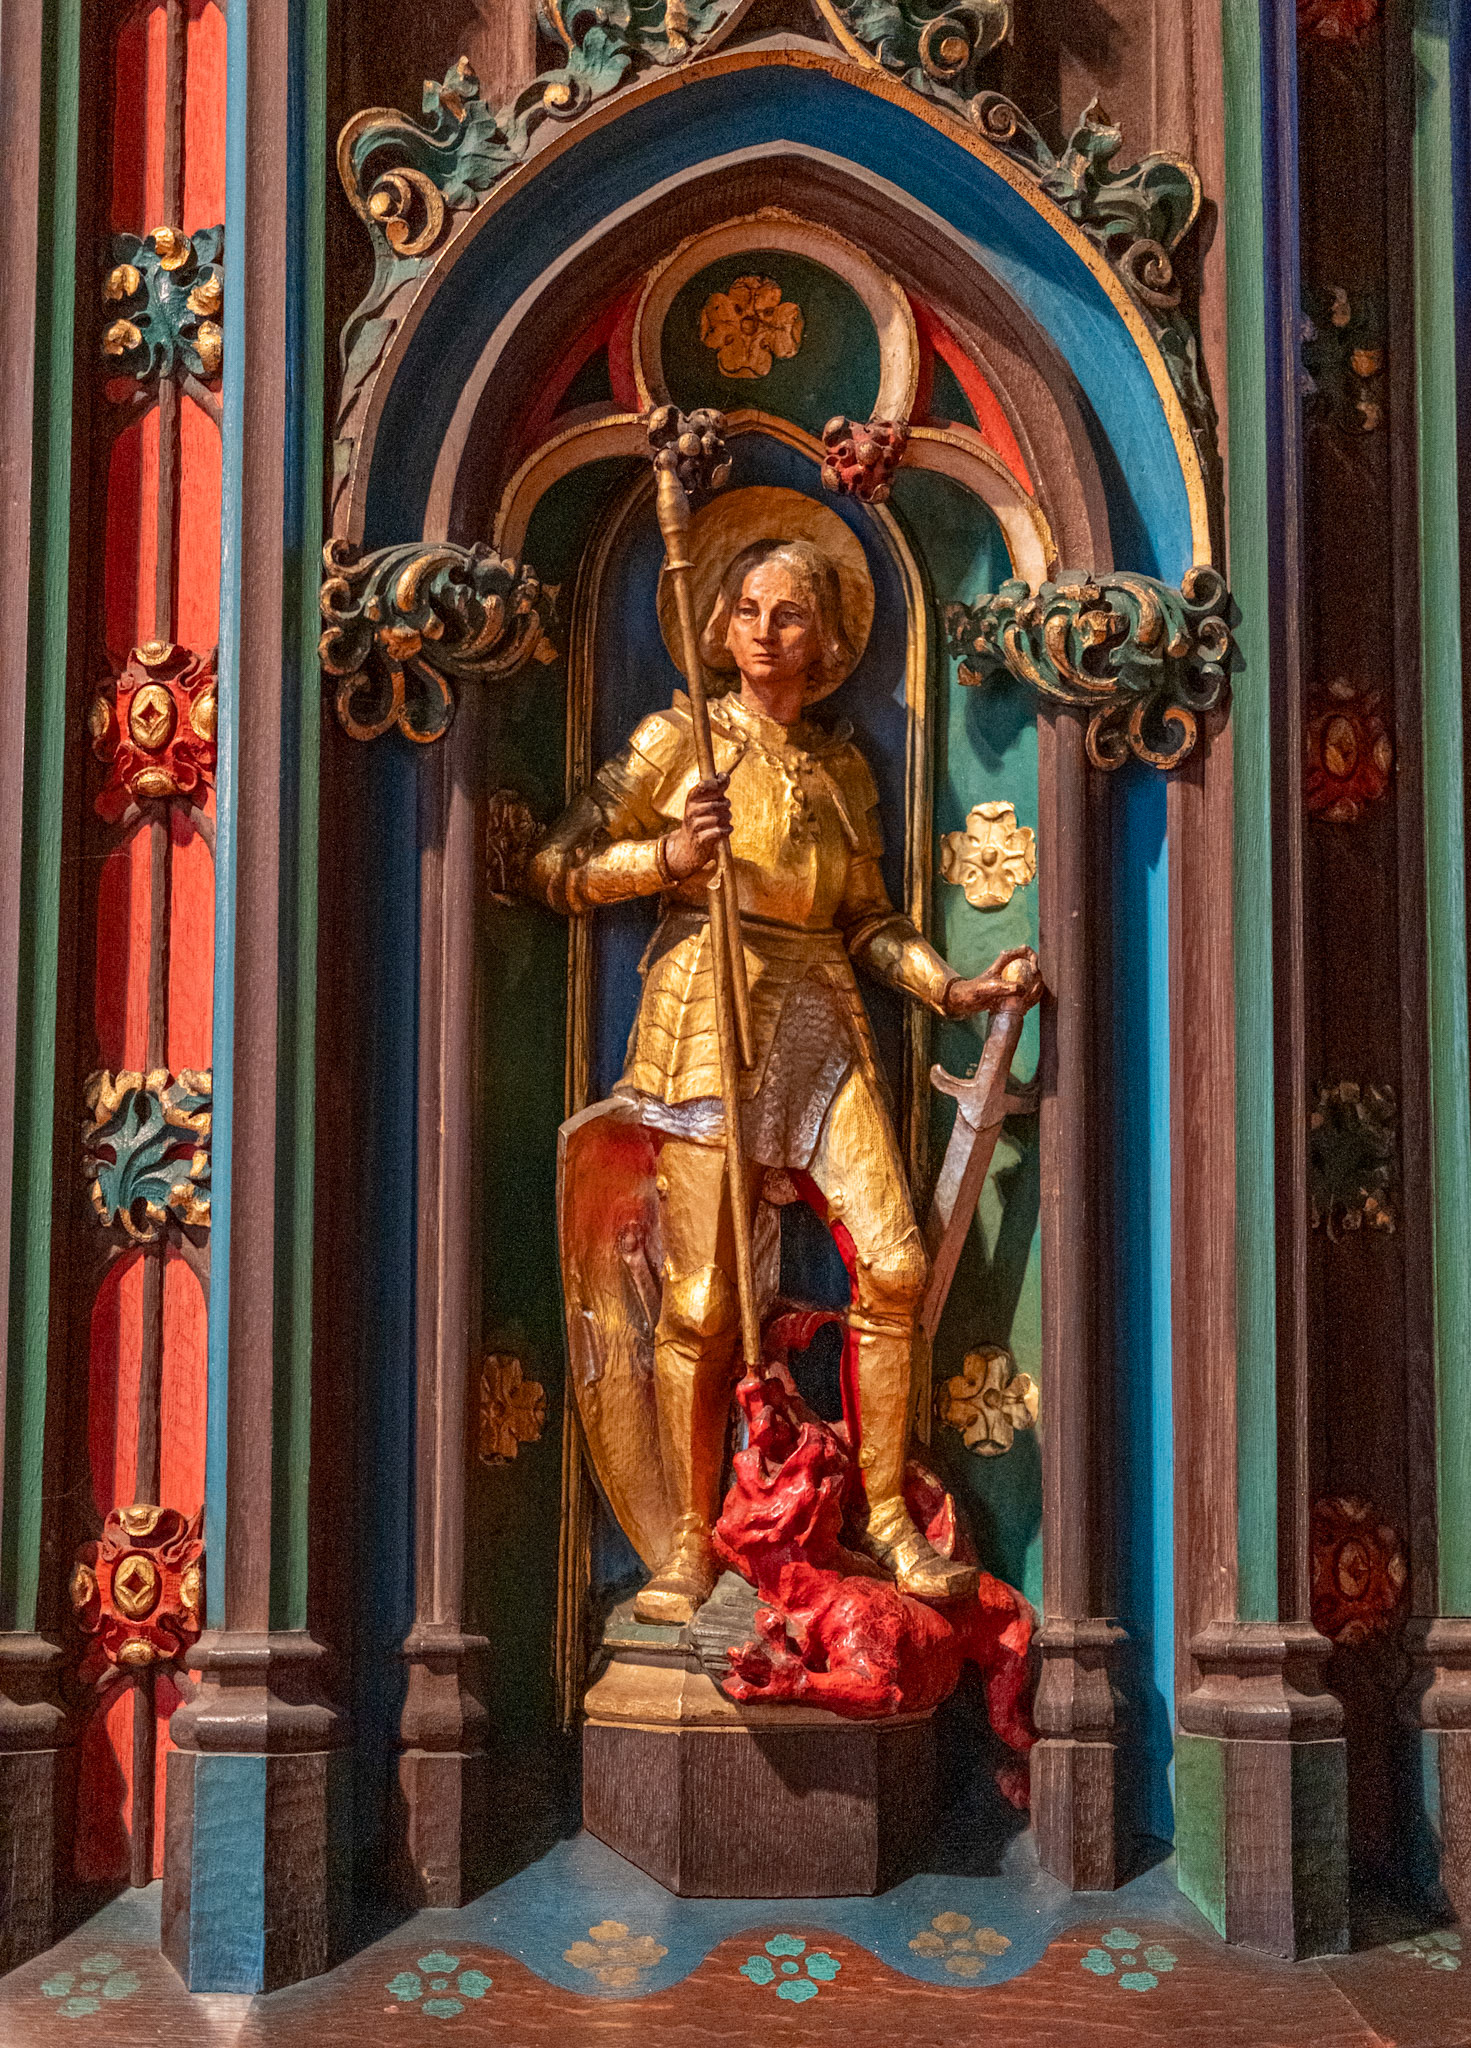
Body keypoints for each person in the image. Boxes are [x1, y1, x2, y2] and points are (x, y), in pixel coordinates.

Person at [528, 535, 1039, 1623]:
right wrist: (665, 861)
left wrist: (949, 988)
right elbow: (555, 864)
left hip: (818, 1009)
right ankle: (681, 1538)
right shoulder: (681, 742)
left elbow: (863, 920)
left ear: (828, 635)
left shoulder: (841, 767)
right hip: (706, 1003)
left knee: (896, 1266)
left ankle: (889, 1518)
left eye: (792, 611)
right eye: (749, 607)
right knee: (704, 1299)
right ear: (719, 626)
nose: (767, 629)